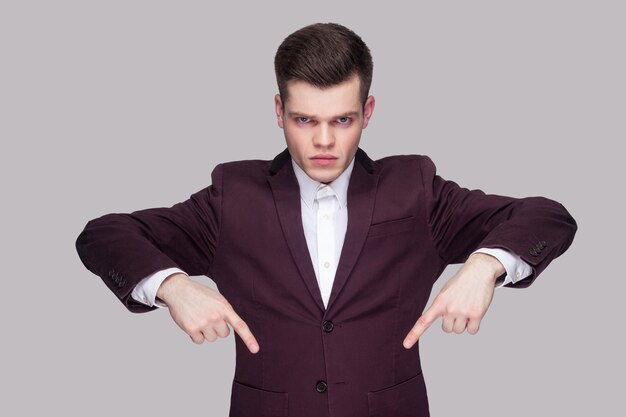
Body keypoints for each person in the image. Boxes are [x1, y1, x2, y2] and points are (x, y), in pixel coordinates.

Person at [76, 22, 577, 417]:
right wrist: (173, 285)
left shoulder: (415, 190)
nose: (323, 142)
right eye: (304, 120)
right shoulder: (233, 198)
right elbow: (104, 234)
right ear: (278, 110)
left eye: (342, 119)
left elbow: (548, 217)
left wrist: (484, 264)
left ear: (368, 111)